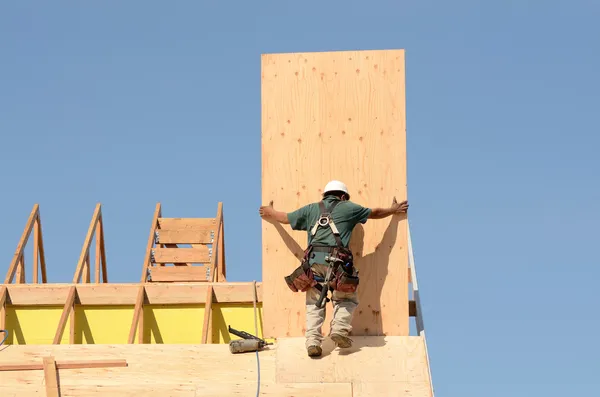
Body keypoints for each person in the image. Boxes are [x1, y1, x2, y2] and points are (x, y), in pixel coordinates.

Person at [259, 180, 408, 357]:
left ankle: (313, 342)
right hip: (338, 266)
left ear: (325, 195)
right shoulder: (348, 208)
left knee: (314, 304)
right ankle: (339, 329)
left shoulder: (310, 209)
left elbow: (285, 218)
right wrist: (393, 210)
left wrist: (270, 212)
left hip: (313, 266)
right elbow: (374, 213)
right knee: (346, 299)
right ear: (343, 196)